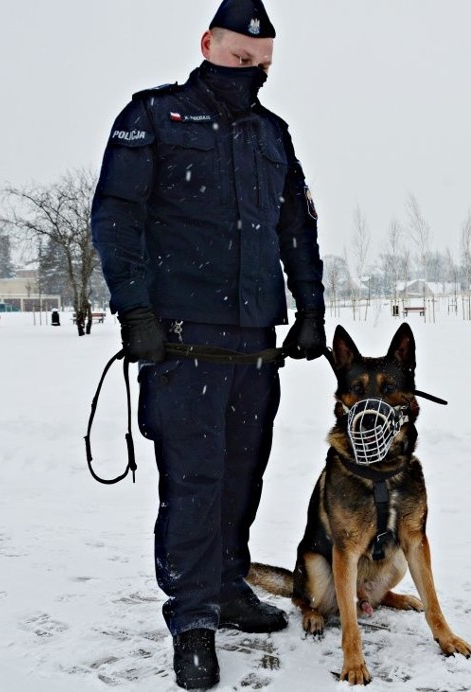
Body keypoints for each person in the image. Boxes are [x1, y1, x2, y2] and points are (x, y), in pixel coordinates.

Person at [91, 1, 326, 688]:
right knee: (194, 482)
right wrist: (134, 308)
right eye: (239, 58)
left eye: (262, 66)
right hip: (182, 342)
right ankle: (192, 616)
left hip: (256, 344)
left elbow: (296, 231)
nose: (250, 74)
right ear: (207, 44)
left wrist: (309, 308)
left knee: (241, 473)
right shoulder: (154, 118)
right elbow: (116, 216)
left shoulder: (273, 136)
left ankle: (226, 585)